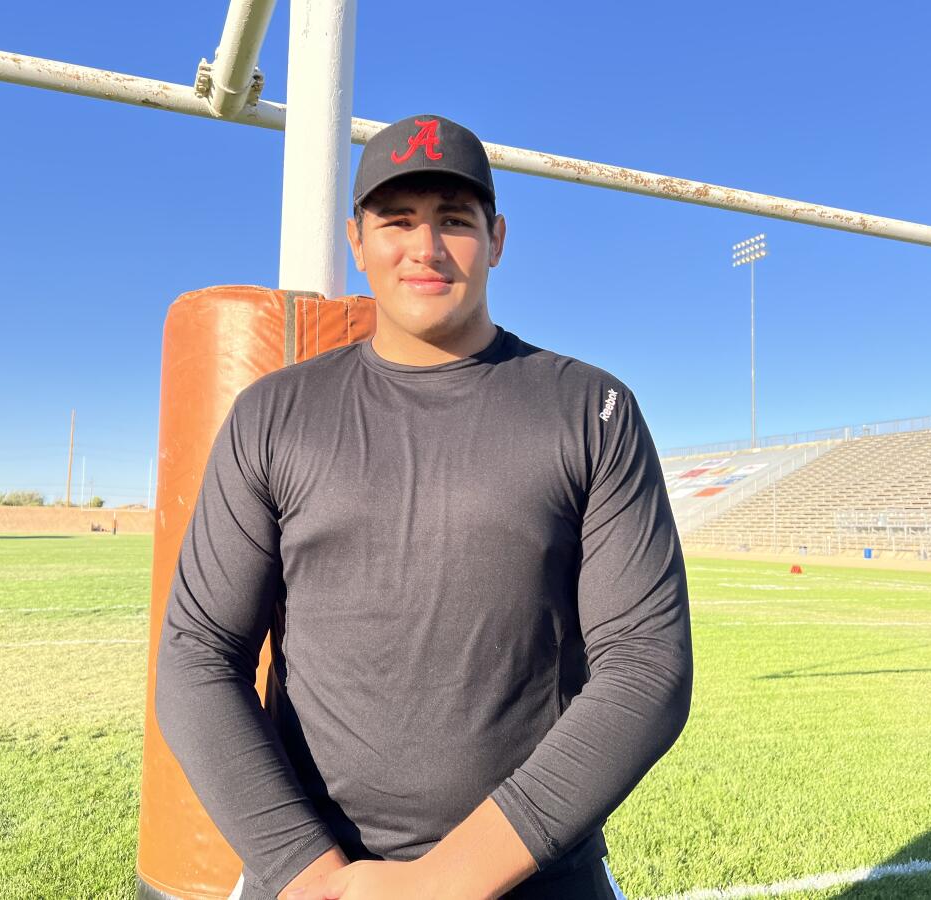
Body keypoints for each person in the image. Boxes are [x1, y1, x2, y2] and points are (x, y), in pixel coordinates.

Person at [155, 114, 693, 900]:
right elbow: (199, 653)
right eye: (397, 220)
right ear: (356, 240)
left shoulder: (591, 408)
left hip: (533, 873)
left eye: (454, 220)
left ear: (498, 237)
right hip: (313, 877)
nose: (426, 247)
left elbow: (646, 667)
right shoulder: (273, 414)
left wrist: (447, 883)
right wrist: (314, 879)